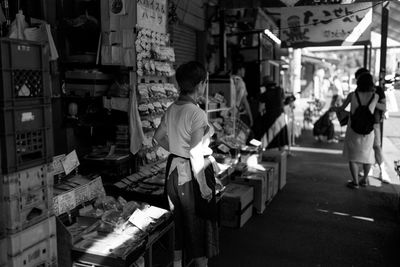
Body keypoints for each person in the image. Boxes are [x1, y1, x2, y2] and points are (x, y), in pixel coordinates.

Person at [153, 61, 219, 267]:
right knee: (197, 225)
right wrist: (204, 185)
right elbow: (195, 152)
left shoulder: (172, 108)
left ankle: (177, 264)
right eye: (205, 82)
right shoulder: (196, 113)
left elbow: (157, 137)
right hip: (191, 175)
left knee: (178, 225)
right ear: (200, 84)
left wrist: (175, 150)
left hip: (173, 172)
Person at [336, 72, 379, 189]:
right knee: (368, 154)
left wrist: (337, 109)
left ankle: (355, 182)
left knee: (353, 156)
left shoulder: (352, 95)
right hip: (368, 130)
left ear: (358, 83)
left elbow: (341, 109)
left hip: (353, 129)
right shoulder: (375, 96)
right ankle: (364, 180)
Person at [349, 68, 388, 183]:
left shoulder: (378, 91)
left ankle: (383, 171)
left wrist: (371, 103)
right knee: (364, 148)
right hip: (361, 123)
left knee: (376, 147)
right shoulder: (359, 90)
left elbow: (384, 107)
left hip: (374, 123)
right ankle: (367, 172)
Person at [253, 76, 289, 150]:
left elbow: (259, 104)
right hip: (281, 116)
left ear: (266, 85)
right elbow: (283, 99)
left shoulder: (266, 93)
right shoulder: (280, 90)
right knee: (281, 137)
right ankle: (283, 154)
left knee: (273, 138)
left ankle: (273, 154)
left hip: (271, 117)